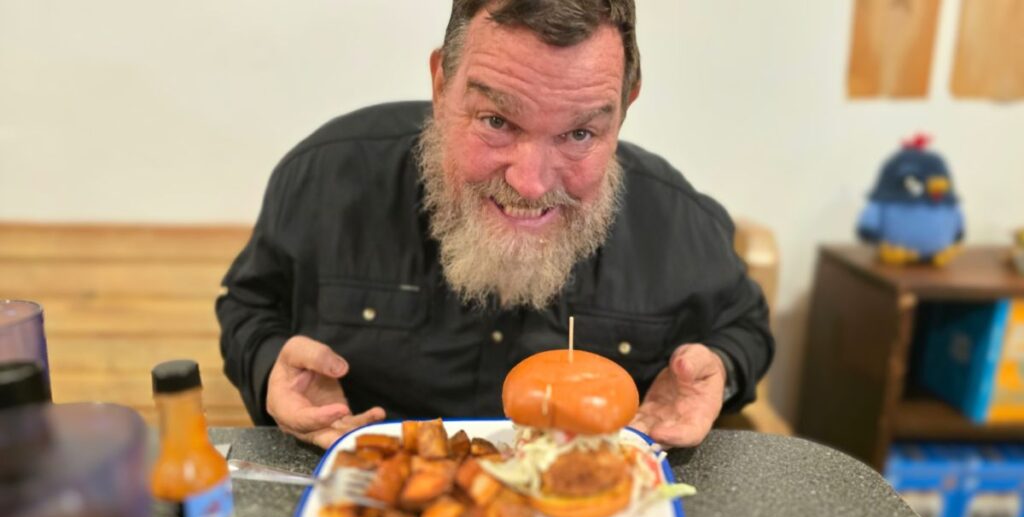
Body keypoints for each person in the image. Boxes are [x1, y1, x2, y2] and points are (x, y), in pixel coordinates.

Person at [217, 0, 774, 450]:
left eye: (579, 134)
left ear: (624, 108)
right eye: (496, 121)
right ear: (441, 84)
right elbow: (251, 305)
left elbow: (743, 328)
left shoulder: (676, 221)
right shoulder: (325, 179)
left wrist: (719, 369)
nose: (531, 183)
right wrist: (269, 367)